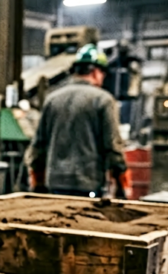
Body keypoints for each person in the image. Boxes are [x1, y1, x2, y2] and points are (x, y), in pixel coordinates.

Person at [28, 44, 129, 198]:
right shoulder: (103, 100)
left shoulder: (52, 99)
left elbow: (38, 147)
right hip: (87, 185)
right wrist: (122, 184)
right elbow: (112, 147)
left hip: (55, 185)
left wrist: (37, 183)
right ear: (96, 72)